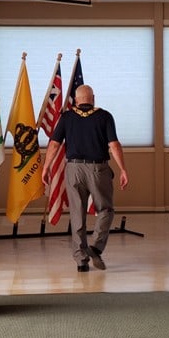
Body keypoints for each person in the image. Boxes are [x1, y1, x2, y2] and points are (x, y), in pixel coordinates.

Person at [43, 84, 129, 272]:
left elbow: (54, 144)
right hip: (97, 169)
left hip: (73, 169)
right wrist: (122, 169)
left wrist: (46, 167)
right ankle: (96, 247)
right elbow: (114, 145)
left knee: (77, 213)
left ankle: (81, 260)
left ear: (76, 99)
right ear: (93, 98)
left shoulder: (66, 117)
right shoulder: (104, 116)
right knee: (105, 209)